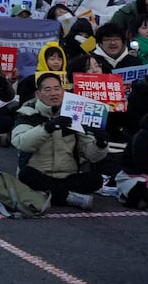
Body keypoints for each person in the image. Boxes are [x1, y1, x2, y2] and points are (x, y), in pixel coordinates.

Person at [11, 72, 108, 205]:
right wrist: (47, 128)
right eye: (47, 89)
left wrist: (100, 144)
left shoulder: (74, 114)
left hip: (68, 176)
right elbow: (21, 143)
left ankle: (52, 195)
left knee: (96, 179)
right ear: (38, 94)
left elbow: (90, 154)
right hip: (40, 174)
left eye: (57, 89)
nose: (54, 93)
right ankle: (69, 198)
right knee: (26, 175)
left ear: (63, 91)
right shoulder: (28, 113)